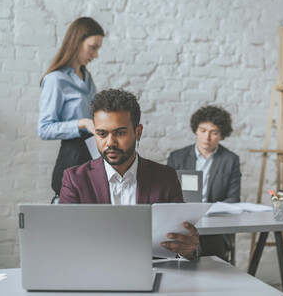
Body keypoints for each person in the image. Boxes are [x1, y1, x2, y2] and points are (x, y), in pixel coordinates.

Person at [60, 89, 200, 260]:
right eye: (102, 134)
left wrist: (188, 250)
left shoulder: (166, 178)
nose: (110, 142)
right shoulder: (75, 179)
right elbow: (65, 243)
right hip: (94, 273)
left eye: (120, 133)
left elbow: (181, 242)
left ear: (138, 132)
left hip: (152, 273)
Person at [38, 17, 104, 203]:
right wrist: (82, 123)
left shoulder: (87, 77)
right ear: (77, 41)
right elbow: (44, 129)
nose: (96, 55)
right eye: (93, 47)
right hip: (72, 158)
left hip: (93, 156)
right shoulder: (56, 79)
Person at [167, 105, 241, 260]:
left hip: (213, 224)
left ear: (221, 135)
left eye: (214, 133)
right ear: (196, 130)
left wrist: (208, 210)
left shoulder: (230, 160)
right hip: (183, 222)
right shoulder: (177, 157)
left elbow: (233, 199)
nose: (207, 137)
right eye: (203, 131)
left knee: (211, 248)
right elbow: (166, 195)